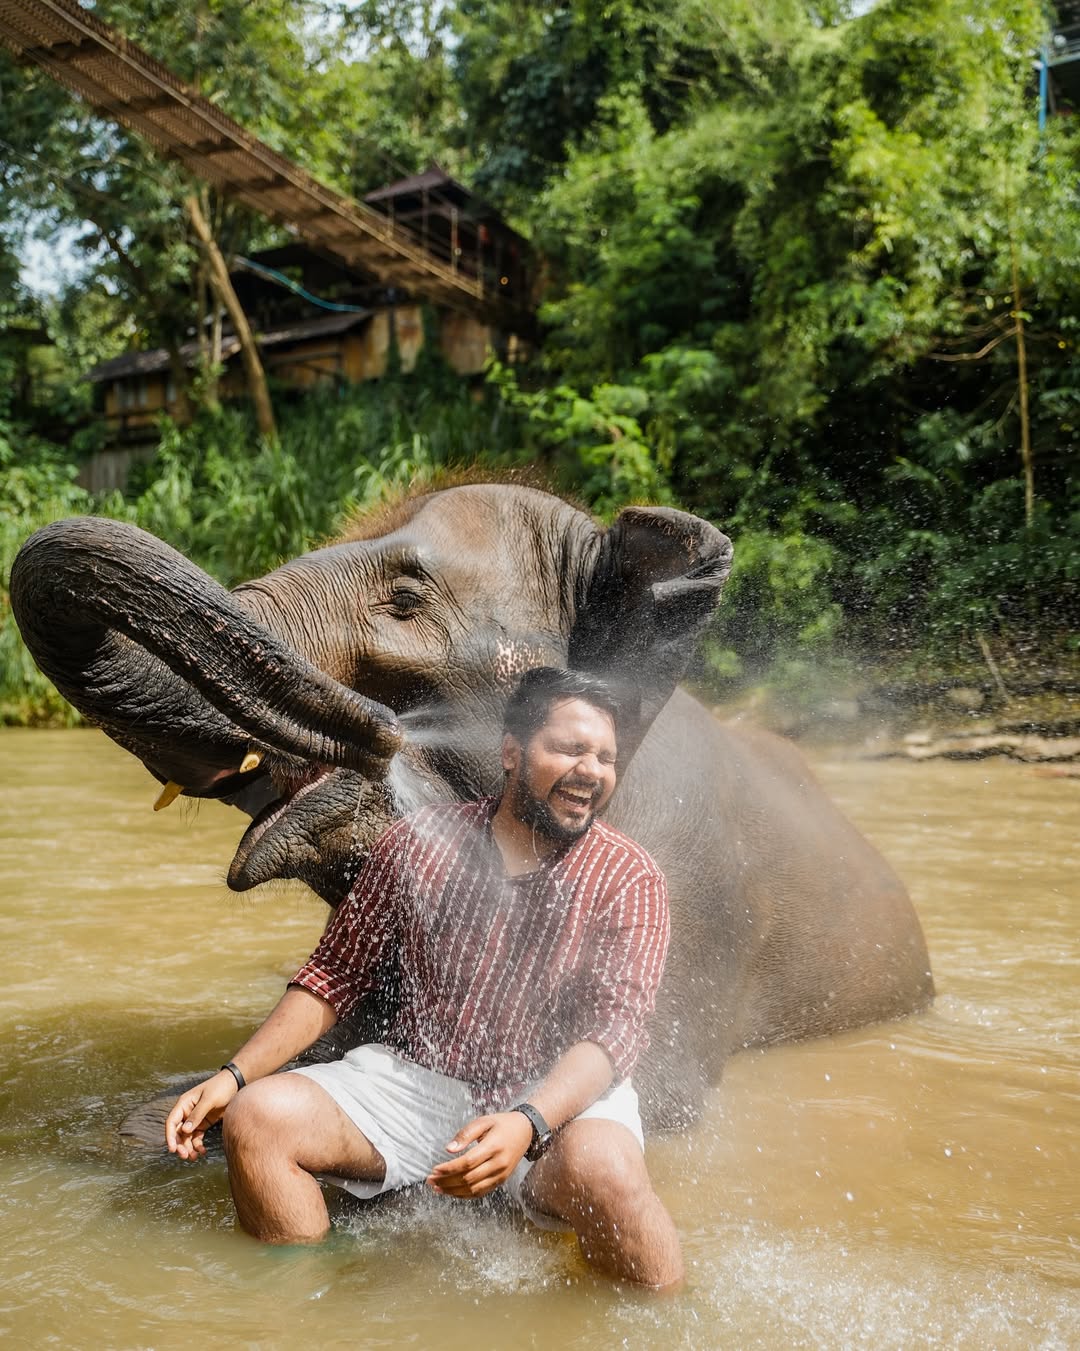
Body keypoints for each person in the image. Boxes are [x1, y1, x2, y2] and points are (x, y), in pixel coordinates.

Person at [165, 667, 681, 1287]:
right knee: (257, 1119)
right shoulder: (422, 842)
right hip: (422, 1084)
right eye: (571, 749)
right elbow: (334, 973)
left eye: (605, 757)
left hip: (553, 1098)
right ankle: (308, 1301)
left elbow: (612, 1034)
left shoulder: (629, 877)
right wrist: (234, 1075)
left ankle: (661, 1314)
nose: (591, 771)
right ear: (512, 752)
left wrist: (528, 1120)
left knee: (607, 1168)